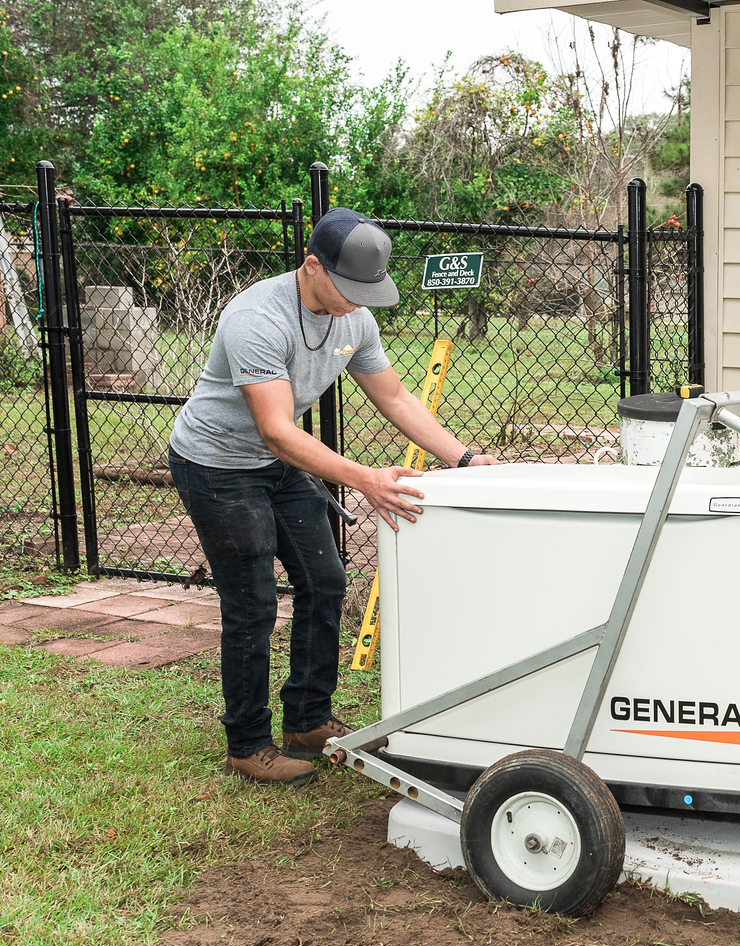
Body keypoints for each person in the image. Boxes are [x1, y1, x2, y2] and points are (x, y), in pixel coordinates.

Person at [169, 208, 499, 787]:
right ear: (312, 265)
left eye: (366, 292)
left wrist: (464, 458)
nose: (356, 302)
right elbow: (275, 426)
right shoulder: (256, 318)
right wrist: (364, 477)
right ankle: (247, 743)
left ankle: (307, 719)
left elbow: (395, 398)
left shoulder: (357, 321)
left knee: (325, 581)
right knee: (252, 601)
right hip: (217, 466)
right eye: (348, 289)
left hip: (279, 462)